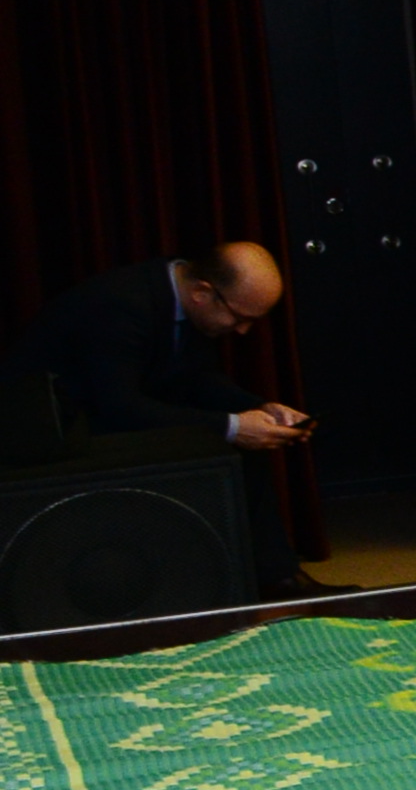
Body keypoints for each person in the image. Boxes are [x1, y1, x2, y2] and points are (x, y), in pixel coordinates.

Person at [2, 239, 319, 593]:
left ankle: (276, 578)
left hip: (103, 418)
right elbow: (119, 406)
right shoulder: (121, 305)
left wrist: (260, 408)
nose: (243, 330)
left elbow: (199, 378)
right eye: (240, 317)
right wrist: (232, 426)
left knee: (243, 445)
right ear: (202, 293)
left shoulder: (180, 296)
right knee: (229, 442)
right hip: (53, 436)